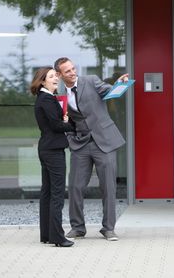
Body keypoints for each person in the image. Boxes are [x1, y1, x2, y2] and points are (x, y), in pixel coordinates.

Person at [54, 57, 128, 241]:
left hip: (104, 141)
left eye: (73, 68)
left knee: (108, 187)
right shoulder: (59, 93)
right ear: (60, 75)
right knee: (75, 186)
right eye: (67, 71)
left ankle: (108, 228)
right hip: (81, 143)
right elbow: (65, 120)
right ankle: (78, 227)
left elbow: (110, 92)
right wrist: (71, 138)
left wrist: (119, 84)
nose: (72, 72)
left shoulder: (91, 80)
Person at [30, 67, 75, 247]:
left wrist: (62, 120)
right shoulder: (47, 99)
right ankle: (57, 237)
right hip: (53, 151)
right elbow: (56, 126)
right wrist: (70, 124)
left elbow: (53, 123)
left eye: (56, 76)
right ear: (42, 81)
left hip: (46, 148)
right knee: (56, 194)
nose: (56, 78)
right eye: (51, 76)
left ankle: (47, 235)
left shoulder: (44, 98)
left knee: (47, 193)